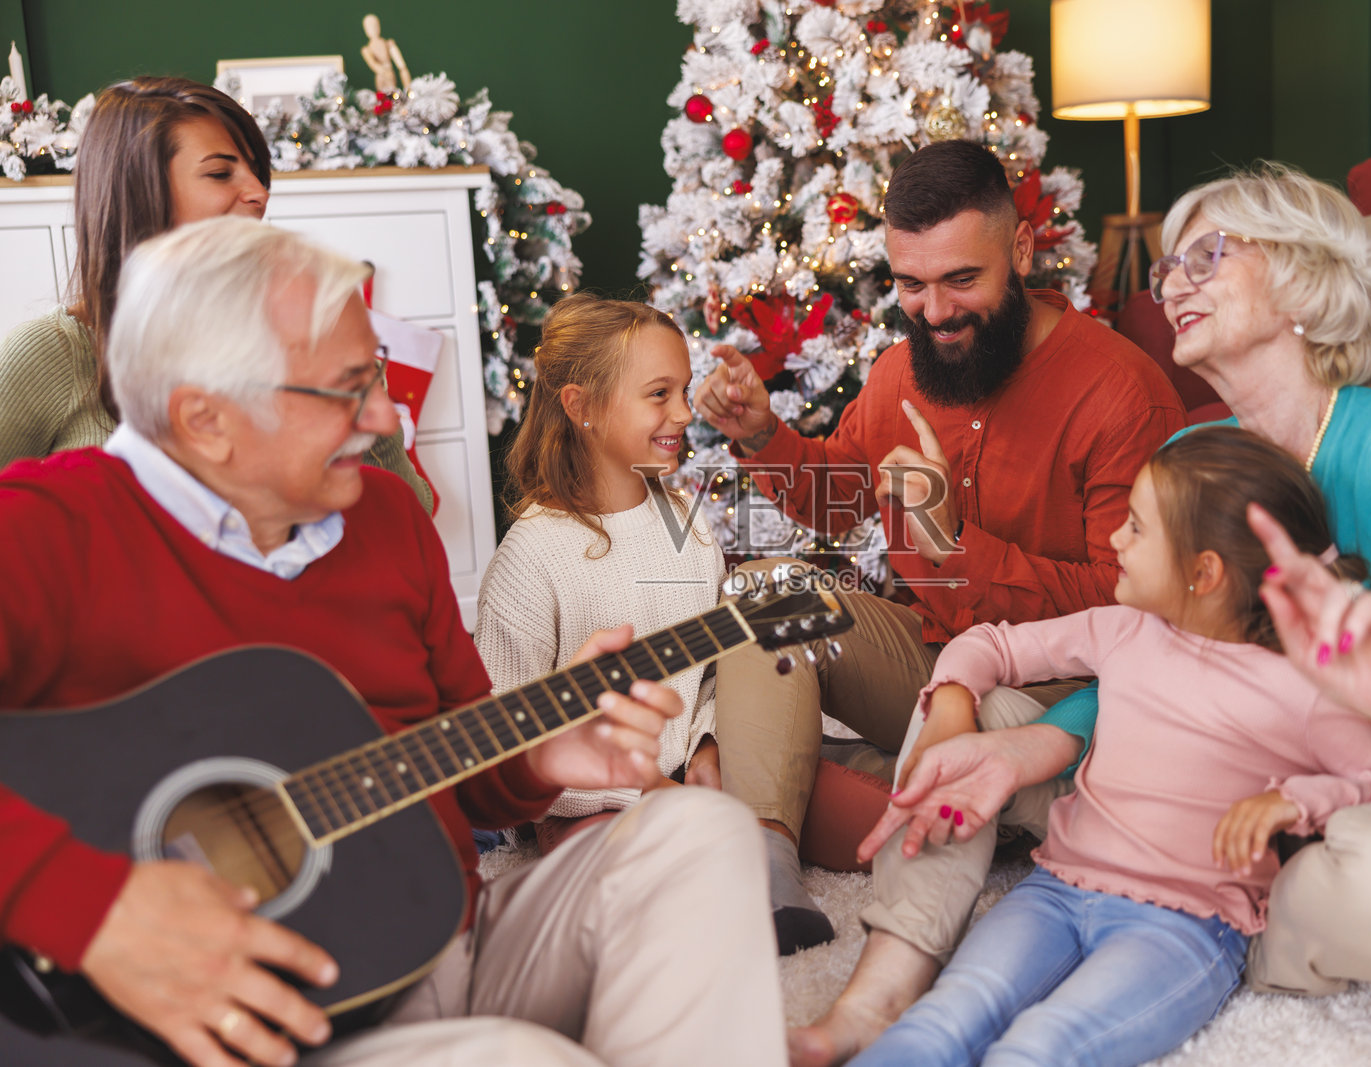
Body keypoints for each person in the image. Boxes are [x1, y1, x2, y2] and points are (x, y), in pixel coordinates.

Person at [0, 217, 784, 1067]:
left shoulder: (384, 518)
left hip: (440, 943)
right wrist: (91, 906)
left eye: (375, 375)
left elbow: (461, 763)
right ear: (206, 417)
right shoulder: (42, 531)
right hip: (253, 1027)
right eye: (347, 389)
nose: (384, 418)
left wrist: (544, 754)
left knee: (700, 832)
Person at [969, 162, 1371, 1002]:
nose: (1173, 284)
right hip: (1225, 799)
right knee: (998, 720)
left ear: (1303, 280)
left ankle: (1220, 929)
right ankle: (1187, 908)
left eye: (1207, 256)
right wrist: (1050, 737)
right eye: (1169, 267)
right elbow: (1153, 655)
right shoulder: (1184, 462)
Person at [695, 138, 1187, 1056]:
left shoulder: (1122, 392)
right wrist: (765, 435)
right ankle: (767, 857)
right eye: (911, 284)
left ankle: (903, 814)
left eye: (961, 279)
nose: (934, 310)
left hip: (1050, 691)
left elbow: (1133, 609)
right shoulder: (896, 371)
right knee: (767, 591)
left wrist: (951, 541)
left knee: (983, 714)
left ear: (1027, 248)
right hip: (928, 661)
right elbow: (838, 494)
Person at [850, 427, 1371, 1066]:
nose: (1115, 540)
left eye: (1136, 528)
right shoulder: (1123, 629)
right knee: (943, 1018)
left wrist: (1297, 802)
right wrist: (949, 707)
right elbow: (992, 645)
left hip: (1185, 928)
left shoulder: (1305, 691)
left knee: (1041, 1048)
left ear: (1204, 573)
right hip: (1054, 892)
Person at [0, 75, 431, 511]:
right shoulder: (50, 354)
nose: (260, 193)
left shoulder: (295, 336)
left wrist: (353, 377)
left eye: (258, 172)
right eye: (220, 173)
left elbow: (408, 508)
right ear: (140, 193)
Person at [472, 297, 731, 859]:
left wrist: (708, 743)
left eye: (684, 390)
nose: (685, 413)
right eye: (660, 394)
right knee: (650, 879)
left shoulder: (688, 522)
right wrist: (646, 790)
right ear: (580, 405)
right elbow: (504, 745)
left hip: (687, 773)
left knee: (865, 811)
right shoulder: (532, 557)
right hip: (586, 804)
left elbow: (713, 670)